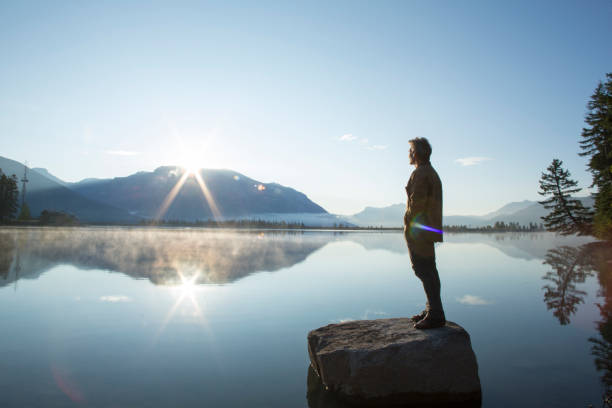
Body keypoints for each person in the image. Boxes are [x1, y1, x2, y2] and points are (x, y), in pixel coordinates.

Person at [404, 137, 446, 329]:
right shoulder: (429, 172)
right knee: (428, 269)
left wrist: (411, 228)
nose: (409, 154)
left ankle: (435, 314)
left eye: (410, 150)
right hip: (427, 230)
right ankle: (432, 309)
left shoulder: (421, 174)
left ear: (417, 153)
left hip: (420, 231)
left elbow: (416, 205)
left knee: (423, 269)